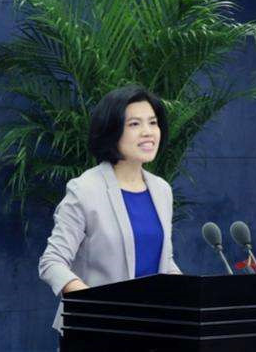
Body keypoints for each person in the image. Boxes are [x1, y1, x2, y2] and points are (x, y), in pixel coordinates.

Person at [38, 84, 182, 337]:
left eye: (153, 122)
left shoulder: (162, 190)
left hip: (153, 328)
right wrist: (96, 306)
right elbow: (52, 262)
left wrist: (191, 293)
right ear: (111, 131)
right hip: (97, 330)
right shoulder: (85, 189)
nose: (148, 132)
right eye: (134, 124)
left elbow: (162, 260)